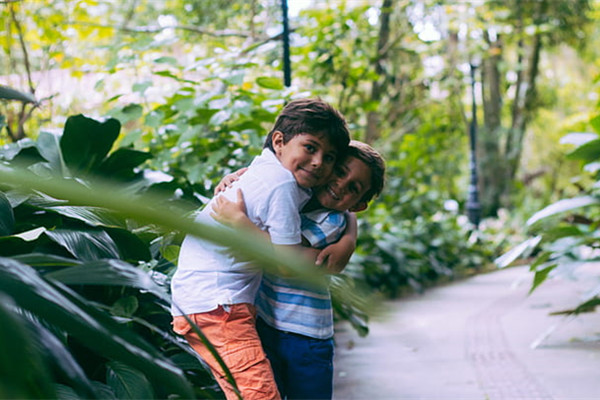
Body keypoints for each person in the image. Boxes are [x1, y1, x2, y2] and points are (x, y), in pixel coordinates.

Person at [170, 98, 350, 400]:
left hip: (208, 301)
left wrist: (349, 235)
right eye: (310, 147)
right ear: (279, 141)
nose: (319, 162)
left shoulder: (266, 169)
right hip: (219, 306)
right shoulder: (282, 186)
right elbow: (282, 262)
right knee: (259, 394)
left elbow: (340, 204)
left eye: (329, 157)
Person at [212, 140, 386, 399]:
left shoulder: (331, 220)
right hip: (268, 321)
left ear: (358, 205)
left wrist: (239, 221)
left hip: (305, 336)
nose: (340, 184)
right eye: (339, 172)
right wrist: (238, 178)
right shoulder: (294, 194)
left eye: (353, 188)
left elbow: (286, 260)